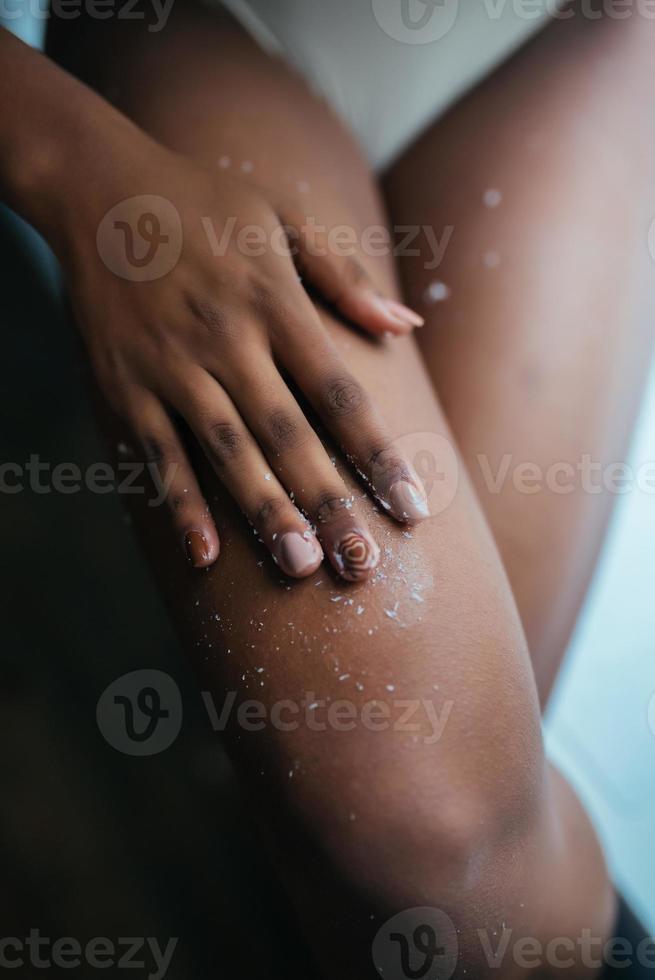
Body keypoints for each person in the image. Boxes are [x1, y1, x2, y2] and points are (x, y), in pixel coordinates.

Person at [1, 1, 654, 975]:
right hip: (206, 29)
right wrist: (75, 174)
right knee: (422, 824)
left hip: (561, 40)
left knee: (426, 822)